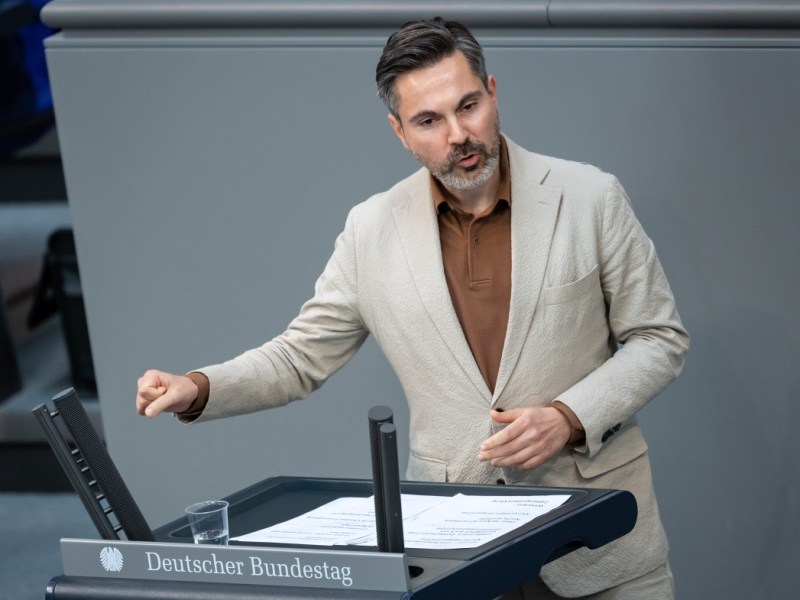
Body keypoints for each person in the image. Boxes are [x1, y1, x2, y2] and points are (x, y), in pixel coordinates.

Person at [136, 17, 689, 599]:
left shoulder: (590, 197)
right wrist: (198, 387)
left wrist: (567, 416)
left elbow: (659, 338)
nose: (459, 134)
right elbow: (300, 357)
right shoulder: (370, 228)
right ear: (399, 131)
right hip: (458, 553)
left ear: (493, 92)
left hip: (599, 543)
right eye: (429, 120)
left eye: (468, 106)